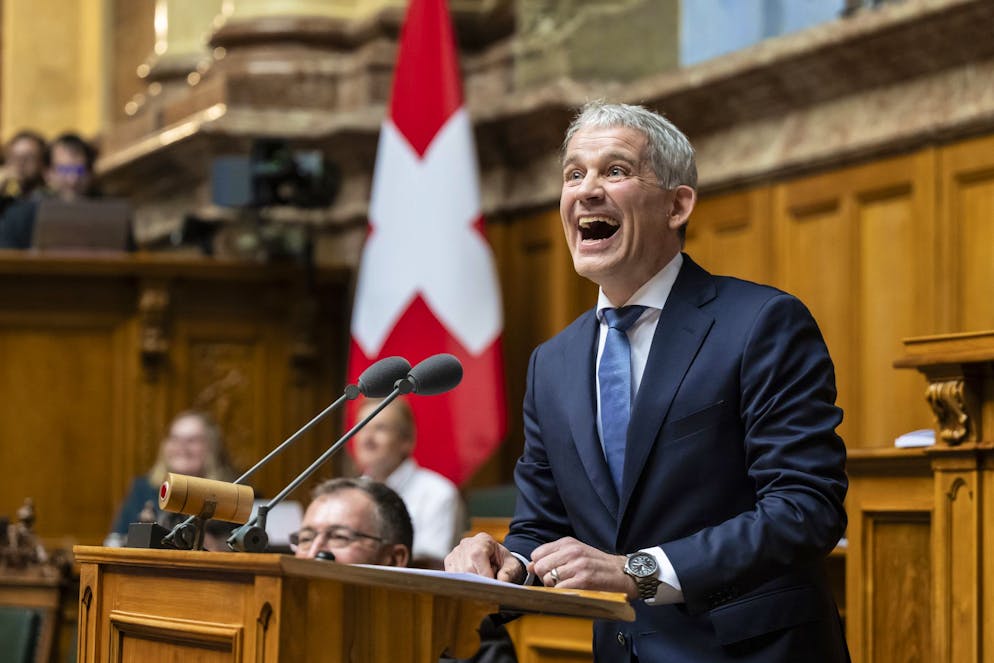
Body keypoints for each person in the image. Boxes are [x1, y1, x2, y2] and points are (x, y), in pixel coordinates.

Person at [445, 101, 849, 662]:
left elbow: (805, 508)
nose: (586, 190)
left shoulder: (760, 323)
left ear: (677, 205)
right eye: (573, 174)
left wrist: (639, 572)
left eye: (614, 170)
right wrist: (507, 562)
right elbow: (542, 523)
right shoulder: (552, 363)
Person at [294, 477, 517, 663]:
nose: (313, 553)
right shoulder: (287, 624)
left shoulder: (461, 630)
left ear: (393, 558)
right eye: (305, 539)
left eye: (339, 537)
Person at [352, 397, 465, 566]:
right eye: (361, 427)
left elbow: (430, 564)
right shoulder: (351, 494)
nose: (367, 438)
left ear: (406, 440)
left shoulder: (438, 493)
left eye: (380, 428)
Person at [106, 410, 239, 548]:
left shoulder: (235, 494)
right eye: (174, 439)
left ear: (212, 447)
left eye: (192, 440)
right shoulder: (143, 489)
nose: (181, 447)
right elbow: (115, 540)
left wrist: (218, 545)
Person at [0, 131, 98, 248]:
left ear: (91, 172)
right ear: (48, 174)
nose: (73, 180)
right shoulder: (19, 217)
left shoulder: (109, 214)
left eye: (80, 170)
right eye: (64, 170)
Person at [0, 130, 47, 212]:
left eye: (28, 157)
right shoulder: (7, 199)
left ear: (42, 163)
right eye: (14, 157)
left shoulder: (49, 200)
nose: (20, 163)